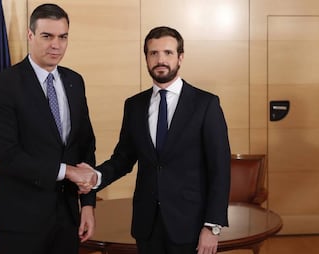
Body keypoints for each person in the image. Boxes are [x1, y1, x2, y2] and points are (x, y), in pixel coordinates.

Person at [80, 26, 231, 254]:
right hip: (147, 225)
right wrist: (95, 177)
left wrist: (212, 227)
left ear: (180, 57)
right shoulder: (134, 105)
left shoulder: (205, 104)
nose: (161, 59)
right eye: (154, 53)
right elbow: (123, 159)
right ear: (147, 58)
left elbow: (220, 169)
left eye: (168, 53)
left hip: (190, 225)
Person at [0, 4, 97, 254]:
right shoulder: (3, 84)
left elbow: (85, 145)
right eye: (47, 36)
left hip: (67, 219)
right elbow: (6, 156)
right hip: (21, 220)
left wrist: (87, 204)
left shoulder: (74, 81)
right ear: (30, 35)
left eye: (63, 37)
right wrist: (65, 171)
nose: (56, 45)